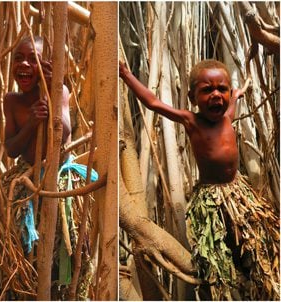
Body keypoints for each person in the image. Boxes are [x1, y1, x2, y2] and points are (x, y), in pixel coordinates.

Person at [119, 60, 279, 300]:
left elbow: (234, 98)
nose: (216, 95)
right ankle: (223, 287)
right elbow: (153, 103)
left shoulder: (228, 117)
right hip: (211, 200)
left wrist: (238, 92)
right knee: (217, 250)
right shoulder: (191, 121)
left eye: (221, 89)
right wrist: (126, 75)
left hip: (238, 194)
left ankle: (256, 282)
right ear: (192, 97)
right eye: (207, 90)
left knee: (253, 242)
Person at [0, 36, 96, 299]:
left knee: (62, 249)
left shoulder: (59, 92)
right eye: (18, 58)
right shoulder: (12, 101)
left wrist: (52, 93)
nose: (25, 64)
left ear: (48, 65)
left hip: (57, 182)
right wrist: (30, 123)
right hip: (28, 183)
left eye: (33, 59)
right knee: (29, 251)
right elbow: (11, 149)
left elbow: (64, 133)